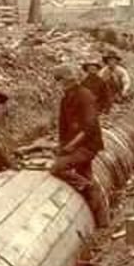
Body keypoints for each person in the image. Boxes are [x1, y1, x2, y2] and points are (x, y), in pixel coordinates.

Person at [51, 63, 109, 225]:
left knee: (58, 168)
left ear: (67, 80)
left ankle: (87, 186)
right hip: (77, 145)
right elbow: (63, 127)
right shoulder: (66, 99)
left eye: (59, 80)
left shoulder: (85, 96)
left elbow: (89, 127)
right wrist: (61, 145)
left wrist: (71, 146)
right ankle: (101, 221)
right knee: (84, 173)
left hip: (88, 146)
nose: (58, 85)